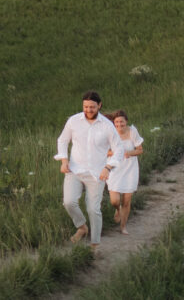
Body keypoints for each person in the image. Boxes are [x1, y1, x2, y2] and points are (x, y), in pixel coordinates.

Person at [54, 90, 124, 251]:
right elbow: (62, 140)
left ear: (99, 106)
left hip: (97, 173)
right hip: (74, 170)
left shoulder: (107, 126)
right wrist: (64, 160)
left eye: (92, 107)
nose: (88, 110)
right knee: (68, 202)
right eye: (85, 107)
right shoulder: (73, 121)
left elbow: (119, 149)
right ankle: (82, 227)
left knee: (93, 209)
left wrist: (108, 167)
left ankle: (95, 244)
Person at [105, 109, 143, 235]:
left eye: (121, 122)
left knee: (126, 201)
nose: (119, 124)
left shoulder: (132, 132)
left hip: (130, 169)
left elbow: (140, 150)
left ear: (126, 121)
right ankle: (117, 209)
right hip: (114, 168)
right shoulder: (110, 133)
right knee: (114, 201)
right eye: (116, 122)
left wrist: (130, 153)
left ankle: (123, 227)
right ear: (113, 123)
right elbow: (104, 151)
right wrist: (116, 153)